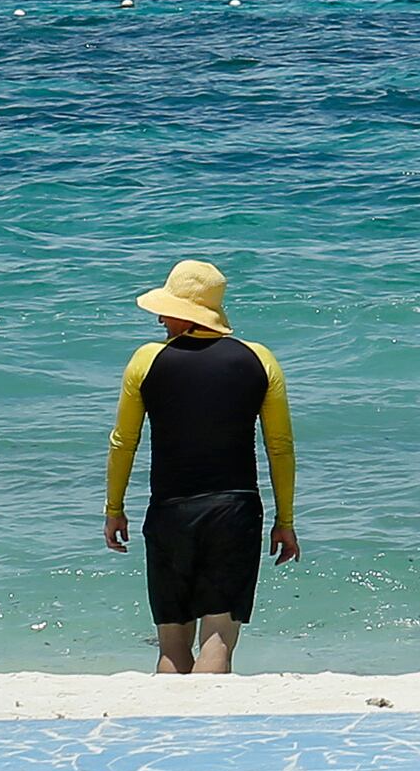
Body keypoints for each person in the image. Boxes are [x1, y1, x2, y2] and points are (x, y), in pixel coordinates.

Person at [100, 260, 300, 675]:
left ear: (185, 313)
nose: (158, 317)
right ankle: (208, 736)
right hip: (236, 511)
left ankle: (168, 737)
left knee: (171, 647)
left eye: (166, 309)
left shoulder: (146, 360)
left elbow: (123, 442)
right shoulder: (258, 359)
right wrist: (285, 520)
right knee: (218, 641)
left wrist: (114, 509)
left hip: (170, 511)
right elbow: (279, 447)